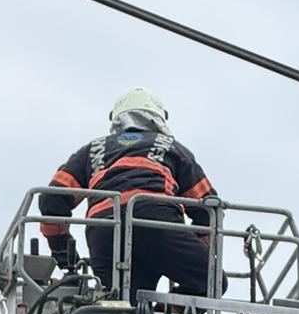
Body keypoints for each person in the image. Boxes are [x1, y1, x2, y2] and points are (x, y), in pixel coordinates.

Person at [39, 90, 224, 303]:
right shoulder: (172, 148)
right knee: (211, 282)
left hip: (105, 230)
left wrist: (65, 258)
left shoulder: (91, 151)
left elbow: (51, 199)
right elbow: (209, 210)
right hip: (155, 222)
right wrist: (194, 251)